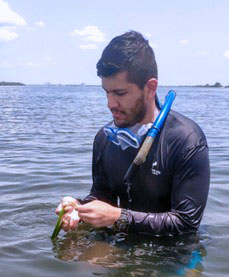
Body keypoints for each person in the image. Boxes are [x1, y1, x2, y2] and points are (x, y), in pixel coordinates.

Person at [56, 30, 210, 235]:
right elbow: (102, 198)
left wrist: (119, 217)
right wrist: (78, 208)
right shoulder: (104, 138)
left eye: (120, 93)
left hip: (174, 251)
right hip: (124, 239)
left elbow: (187, 223)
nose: (110, 104)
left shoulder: (186, 140)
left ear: (150, 88)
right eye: (107, 92)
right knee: (75, 260)